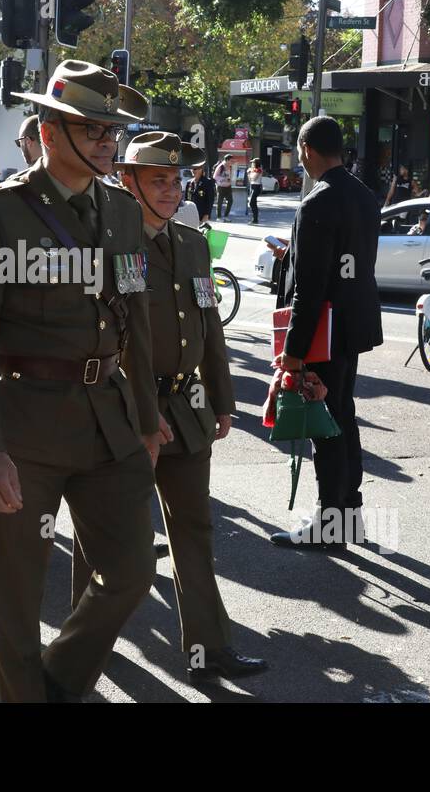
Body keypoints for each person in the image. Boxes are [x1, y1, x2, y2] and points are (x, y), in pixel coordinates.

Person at [0, 59, 162, 702]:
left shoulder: (123, 212)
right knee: (16, 600)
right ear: (47, 129)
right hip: (24, 424)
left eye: (109, 130)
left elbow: (136, 322)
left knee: (130, 571)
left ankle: (57, 683)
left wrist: (147, 421)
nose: (105, 140)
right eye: (89, 128)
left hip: (108, 418)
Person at [103, 131, 268, 679]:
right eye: (158, 180)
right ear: (128, 182)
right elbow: (120, 341)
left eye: (175, 180)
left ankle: (209, 648)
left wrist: (223, 400)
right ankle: (84, 655)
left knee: (194, 531)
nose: (172, 190)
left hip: (186, 408)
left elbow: (209, 325)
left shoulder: (192, 242)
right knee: (109, 539)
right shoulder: (111, 245)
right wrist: (145, 417)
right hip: (127, 411)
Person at [270, 115, 383, 548]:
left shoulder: (316, 203)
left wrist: (293, 353)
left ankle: (330, 522)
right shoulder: (365, 196)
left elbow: (310, 289)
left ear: (306, 150)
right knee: (342, 417)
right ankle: (348, 514)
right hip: (353, 325)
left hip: (324, 329)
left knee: (325, 425)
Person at [247, 157, 264, 224]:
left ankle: (255, 219)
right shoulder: (253, 170)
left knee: (251, 202)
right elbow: (250, 180)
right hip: (252, 186)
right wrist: (249, 174)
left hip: (257, 187)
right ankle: (255, 219)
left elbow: (254, 178)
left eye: (253, 163)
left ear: (256, 163)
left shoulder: (258, 170)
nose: (252, 164)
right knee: (253, 203)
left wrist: (249, 173)